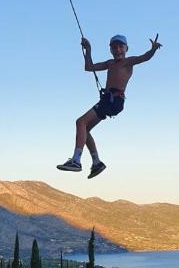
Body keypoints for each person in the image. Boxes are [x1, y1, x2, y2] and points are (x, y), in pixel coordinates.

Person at [57, 33, 163, 178]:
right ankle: (97, 163)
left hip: (114, 100)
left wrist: (153, 49)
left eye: (121, 47)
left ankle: (76, 161)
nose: (118, 50)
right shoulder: (109, 64)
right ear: (110, 50)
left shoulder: (128, 62)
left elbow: (144, 58)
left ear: (127, 48)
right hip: (108, 100)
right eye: (114, 47)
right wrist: (88, 49)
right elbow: (89, 67)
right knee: (85, 129)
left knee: (80, 122)